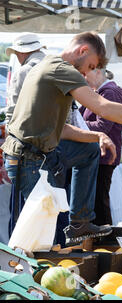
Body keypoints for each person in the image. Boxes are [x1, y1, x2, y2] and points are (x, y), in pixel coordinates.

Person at [1, 31, 122, 246]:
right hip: (29, 159)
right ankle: (34, 270)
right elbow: (104, 107)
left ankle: (80, 221)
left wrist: (97, 135)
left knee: (89, 150)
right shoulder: (61, 69)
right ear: (83, 50)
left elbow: (60, 129)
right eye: (91, 66)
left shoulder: (49, 66)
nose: (87, 73)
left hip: (36, 154)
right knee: (39, 235)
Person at [4, 33, 47, 237]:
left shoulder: (24, 71)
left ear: (21, 53)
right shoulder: (52, 67)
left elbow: (12, 111)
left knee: (22, 208)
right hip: (50, 147)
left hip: (23, 147)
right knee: (44, 207)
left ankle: (19, 256)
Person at [79, 68, 122, 226]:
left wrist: (75, 125)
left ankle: (107, 242)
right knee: (97, 201)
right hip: (98, 155)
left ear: (98, 71)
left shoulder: (109, 93)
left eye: (85, 73)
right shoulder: (98, 92)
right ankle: (102, 240)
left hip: (104, 156)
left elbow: (102, 126)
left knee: (99, 202)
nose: (83, 77)